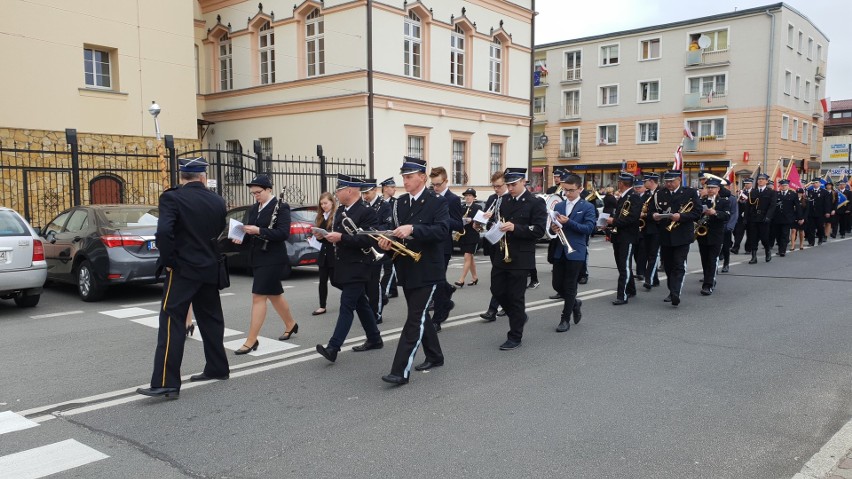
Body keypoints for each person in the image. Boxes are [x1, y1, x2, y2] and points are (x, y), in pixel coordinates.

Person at [137, 157, 229, 399]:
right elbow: (219, 230)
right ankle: (217, 367)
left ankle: (166, 382)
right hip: (209, 267)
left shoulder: (172, 197)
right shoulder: (217, 200)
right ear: (201, 176)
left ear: (182, 177)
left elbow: (164, 232)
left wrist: (169, 261)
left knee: (172, 322)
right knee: (211, 320)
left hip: (184, 269)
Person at [377, 157, 447, 386]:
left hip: (427, 269)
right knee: (421, 314)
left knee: (414, 318)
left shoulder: (436, 201)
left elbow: (442, 231)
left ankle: (400, 371)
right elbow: (396, 235)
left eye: (409, 177)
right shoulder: (399, 204)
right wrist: (387, 244)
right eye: (403, 177)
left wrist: (414, 229)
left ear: (422, 177)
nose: (405, 181)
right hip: (407, 268)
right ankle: (435, 355)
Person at [315, 175, 384, 363]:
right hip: (344, 265)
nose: (336, 193)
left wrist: (341, 238)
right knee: (360, 302)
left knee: (346, 305)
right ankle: (374, 338)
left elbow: (370, 238)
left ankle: (333, 347)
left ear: (350, 191)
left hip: (359, 266)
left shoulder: (366, 212)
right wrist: (324, 236)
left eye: (339, 190)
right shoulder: (342, 210)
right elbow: (338, 236)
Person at [231, 175, 298, 354]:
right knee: (274, 295)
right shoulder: (255, 208)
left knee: (258, 296)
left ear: (269, 189)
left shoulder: (281, 207)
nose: (256, 196)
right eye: (253, 193)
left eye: (258, 192)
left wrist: (259, 230)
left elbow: (283, 233)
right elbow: (250, 231)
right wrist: (241, 237)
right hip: (258, 257)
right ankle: (291, 324)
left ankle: (251, 340)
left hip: (273, 258)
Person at [489, 167, 547, 350]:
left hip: (521, 257)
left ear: (524, 181)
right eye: (508, 184)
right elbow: (498, 222)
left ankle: (515, 336)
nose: (510, 188)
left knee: (516, 297)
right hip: (501, 254)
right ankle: (519, 316)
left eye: (514, 184)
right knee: (497, 290)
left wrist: (516, 228)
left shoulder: (535, 202)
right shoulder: (503, 200)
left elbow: (538, 230)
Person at [548, 173, 596, 332]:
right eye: (565, 190)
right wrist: (553, 228)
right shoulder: (559, 205)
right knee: (556, 284)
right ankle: (575, 303)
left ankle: (565, 319)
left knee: (570, 287)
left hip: (576, 251)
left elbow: (589, 229)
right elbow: (552, 227)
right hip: (560, 250)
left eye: (570, 190)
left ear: (580, 189)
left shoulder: (587, 206)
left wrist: (569, 222)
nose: (567, 194)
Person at [653, 170, 701, 307]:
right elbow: (652, 210)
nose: (669, 184)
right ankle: (671, 289)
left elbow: (697, 212)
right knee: (668, 266)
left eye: (671, 181)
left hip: (682, 235)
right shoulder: (660, 193)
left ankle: (675, 292)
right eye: (667, 182)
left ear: (679, 180)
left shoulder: (689, 193)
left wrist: (681, 217)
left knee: (679, 265)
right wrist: (654, 216)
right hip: (665, 235)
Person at [428, 167, 463, 330]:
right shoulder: (430, 196)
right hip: (430, 244)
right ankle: (447, 294)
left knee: (437, 281)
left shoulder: (453, 199)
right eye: (433, 184)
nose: (435, 188)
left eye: (438, 184)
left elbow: (459, 224)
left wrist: (443, 219)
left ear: (446, 181)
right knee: (434, 280)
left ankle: (438, 318)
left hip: (444, 246)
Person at [606, 172, 642, 305]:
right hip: (619, 235)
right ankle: (631, 289)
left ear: (621, 183)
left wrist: (613, 221)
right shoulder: (625, 196)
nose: (618, 183)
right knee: (622, 265)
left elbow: (632, 218)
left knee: (624, 266)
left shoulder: (634, 197)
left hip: (628, 237)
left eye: (619, 181)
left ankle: (623, 294)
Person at [479, 171, 509, 321]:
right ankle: (504, 304)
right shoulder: (492, 198)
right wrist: (485, 221)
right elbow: (489, 221)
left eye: (499, 186)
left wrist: (498, 222)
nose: (496, 189)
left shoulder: (510, 199)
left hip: (507, 243)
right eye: (494, 186)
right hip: (494, 242)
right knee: (498, 278)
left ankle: (493, 310)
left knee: (502, 278)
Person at [696, 179, 730, 295]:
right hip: (702, 234)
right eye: (709, 187)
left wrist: (715, 213)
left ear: (718, 189)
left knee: (712, 260)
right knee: (704, 260)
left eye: (713, 188)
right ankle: (709, 279)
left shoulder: (723, 201)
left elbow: (727, 216)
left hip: (716, 234)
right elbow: (695, 215)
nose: (710, 190)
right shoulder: (701, 201)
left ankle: (708, 285)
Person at [360, 179, 388, 323]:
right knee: (366, 283)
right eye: (363, 193)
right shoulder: (362, 206)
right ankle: (381, 299)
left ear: (375, 190)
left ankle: (376, 313)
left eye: (368, 192)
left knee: (373, 284)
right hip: (365, 249)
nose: (365, 196)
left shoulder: (384, 205)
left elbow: (388, 225)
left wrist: (374, 230)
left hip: (378, 247)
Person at [312, 192, 337, 316]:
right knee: (322, 280)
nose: (323, 206)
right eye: (321, 204)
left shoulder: (336, 216)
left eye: (326, 203)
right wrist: (317, 236)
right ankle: (322, 306)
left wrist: (325, 235)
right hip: (324, 252)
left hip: (333, 252)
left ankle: (358, 296)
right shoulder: (321, 217)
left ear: (332, 202)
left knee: (335, 281)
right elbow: (321, 238)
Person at [745, 173, 777, 264]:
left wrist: (768, 217)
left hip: (764, 218)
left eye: (763, 179)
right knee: (753, 238)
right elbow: (748, 206)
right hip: (753, 218)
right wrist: (745, 218)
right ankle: (754, 257)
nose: (760, 180)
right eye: (759, 179)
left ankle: (767, 251)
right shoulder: (753, 192)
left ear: (766, 181)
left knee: (764, 238)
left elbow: (772, 206)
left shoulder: (771, 192)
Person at [455, 188, 481, 287]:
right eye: (466, 196)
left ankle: (461, 280)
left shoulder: (477, 207)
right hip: (464, 235)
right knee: (470, 258)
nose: (467, 197)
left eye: (470, 195)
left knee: (467, 256)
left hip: (473, 235)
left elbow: (481, 221)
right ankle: (474, 277)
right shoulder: (462, 207)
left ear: (474, 197)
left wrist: (472, 220)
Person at [640, 173, 662, 289]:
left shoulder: (661, 192)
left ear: (652, 181)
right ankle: (655, 279)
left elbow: (660, 211)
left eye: (645, 181)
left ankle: (648, 279)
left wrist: (645, 214)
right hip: (646, 228)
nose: (644, 183)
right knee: (648, 254)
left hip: (657, 228)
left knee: (653, 254)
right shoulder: (647, 193)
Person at [379, 177, 399, 299]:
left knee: (389, 265)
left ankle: (386, 290)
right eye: (392, 187)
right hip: (382, 236)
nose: (394, 189)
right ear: (385, 188)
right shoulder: (380, 202)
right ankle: (392, 289)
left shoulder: (396, 202)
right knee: (388, 264)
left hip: (393, 236)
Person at [771, 179, 797, 257]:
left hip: (787, 218)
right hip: (777, 218)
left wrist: (799, 217)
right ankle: (780, 248)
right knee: (778, 235)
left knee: (785, 234)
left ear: (788, 186)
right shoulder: (776, 194)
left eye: (785, 185)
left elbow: (797, 207)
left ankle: (783, 250)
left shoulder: (792, 194)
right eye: (782, 185)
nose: (783, 187)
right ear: (780, 186)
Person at [731, 178, 753, 254]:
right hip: (741, 216)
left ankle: (748, 249)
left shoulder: (754, 192)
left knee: (750, 233)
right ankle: (735, 248)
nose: (746, 185)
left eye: (748, 183)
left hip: (750, 216)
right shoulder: (741, 192)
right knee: (738, 232)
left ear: (751, 184)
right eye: (745, 183)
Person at [631, 178, 647, 282]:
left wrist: (644, 214)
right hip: (634, 227)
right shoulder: (633, 197)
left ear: (644, 187)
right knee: (636, 251)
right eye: (636, 187)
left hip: (645, 227)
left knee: (642, 251)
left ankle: (641, 272)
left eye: (639, 187)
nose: (637, 189)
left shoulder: (648, 196)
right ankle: (640, 270)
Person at [806, 178, 831, 246]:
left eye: (816, 183)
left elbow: (827, 203)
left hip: (820, 213)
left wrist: (827, 212)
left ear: (819, 183)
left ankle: (820, 238)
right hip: (811, 213)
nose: (815, 184)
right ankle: (811, 242)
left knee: (820, 227)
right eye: (813, 183)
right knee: (811, 228)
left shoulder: (824, 192)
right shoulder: (809, 191)